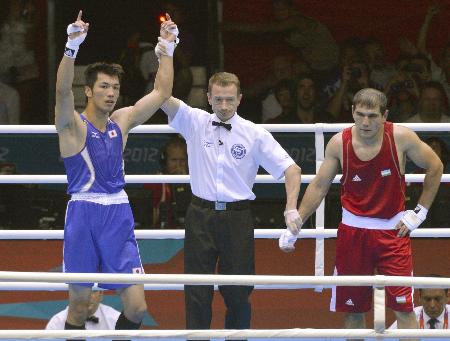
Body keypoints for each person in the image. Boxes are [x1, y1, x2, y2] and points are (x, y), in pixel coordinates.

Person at [280, 88, 443, 340]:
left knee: (404, 308)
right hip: (353, 234)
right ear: (353, 113)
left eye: (373, 116)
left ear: (384, 115)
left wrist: (419, 212)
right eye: (361, 115)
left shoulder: (400, 137)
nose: (366, 122)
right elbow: (320, 185)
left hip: (393, 233)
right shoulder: (339, 142)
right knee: (353, 311)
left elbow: (435, 166)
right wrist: (296, 221)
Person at [55, 11, 177, 331]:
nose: (111, 92)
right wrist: (71, 47)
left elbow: (161, 93)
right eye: (104, 86)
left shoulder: (121, 121)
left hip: (118, 213)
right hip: (83, 212)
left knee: (137, 307)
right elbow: (62, 93)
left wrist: (168, 49)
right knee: (80, 309)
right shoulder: (72, 127)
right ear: (89, 90)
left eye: (115, 87)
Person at [158, 70, 302, 333]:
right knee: (196, 291)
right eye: (219, 99)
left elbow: (292, 170)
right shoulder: (194, 121)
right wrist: (166, 51)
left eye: (229, 99)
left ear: (240, 99)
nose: (224, 106)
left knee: (238, 292)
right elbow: (162, 95)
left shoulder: (254, 134)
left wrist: (291, 208)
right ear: (209, 98)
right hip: (200, 214)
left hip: (237, 218)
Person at [144, 135, 191, 228]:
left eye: (182, 160)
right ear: (164, 161)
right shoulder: (154, 183)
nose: (178, 165)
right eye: (174, 160)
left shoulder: (196, 183)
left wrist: (185, 184)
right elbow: (147, 219)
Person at [46, 291, 120, 330]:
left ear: (101, 294)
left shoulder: (116, 319)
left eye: (93, 290)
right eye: (83, 289)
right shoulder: (56, 323)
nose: (87, 295)